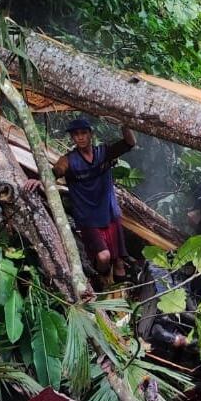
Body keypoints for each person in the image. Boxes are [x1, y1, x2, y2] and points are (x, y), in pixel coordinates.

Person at [26, 116, 136, 287]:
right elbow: (56, 171)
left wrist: (124, 122)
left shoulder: (103, 153)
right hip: (88, 217)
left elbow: (129, 143)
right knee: (103, 256)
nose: (80, 137)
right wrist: (40, 180)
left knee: (120, 263)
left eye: (83, 133)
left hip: (109, 212)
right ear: (72, 138)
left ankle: (123, 291)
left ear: (90, 134)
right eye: (76, 134)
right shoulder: (69, 160)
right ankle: (102, 281)